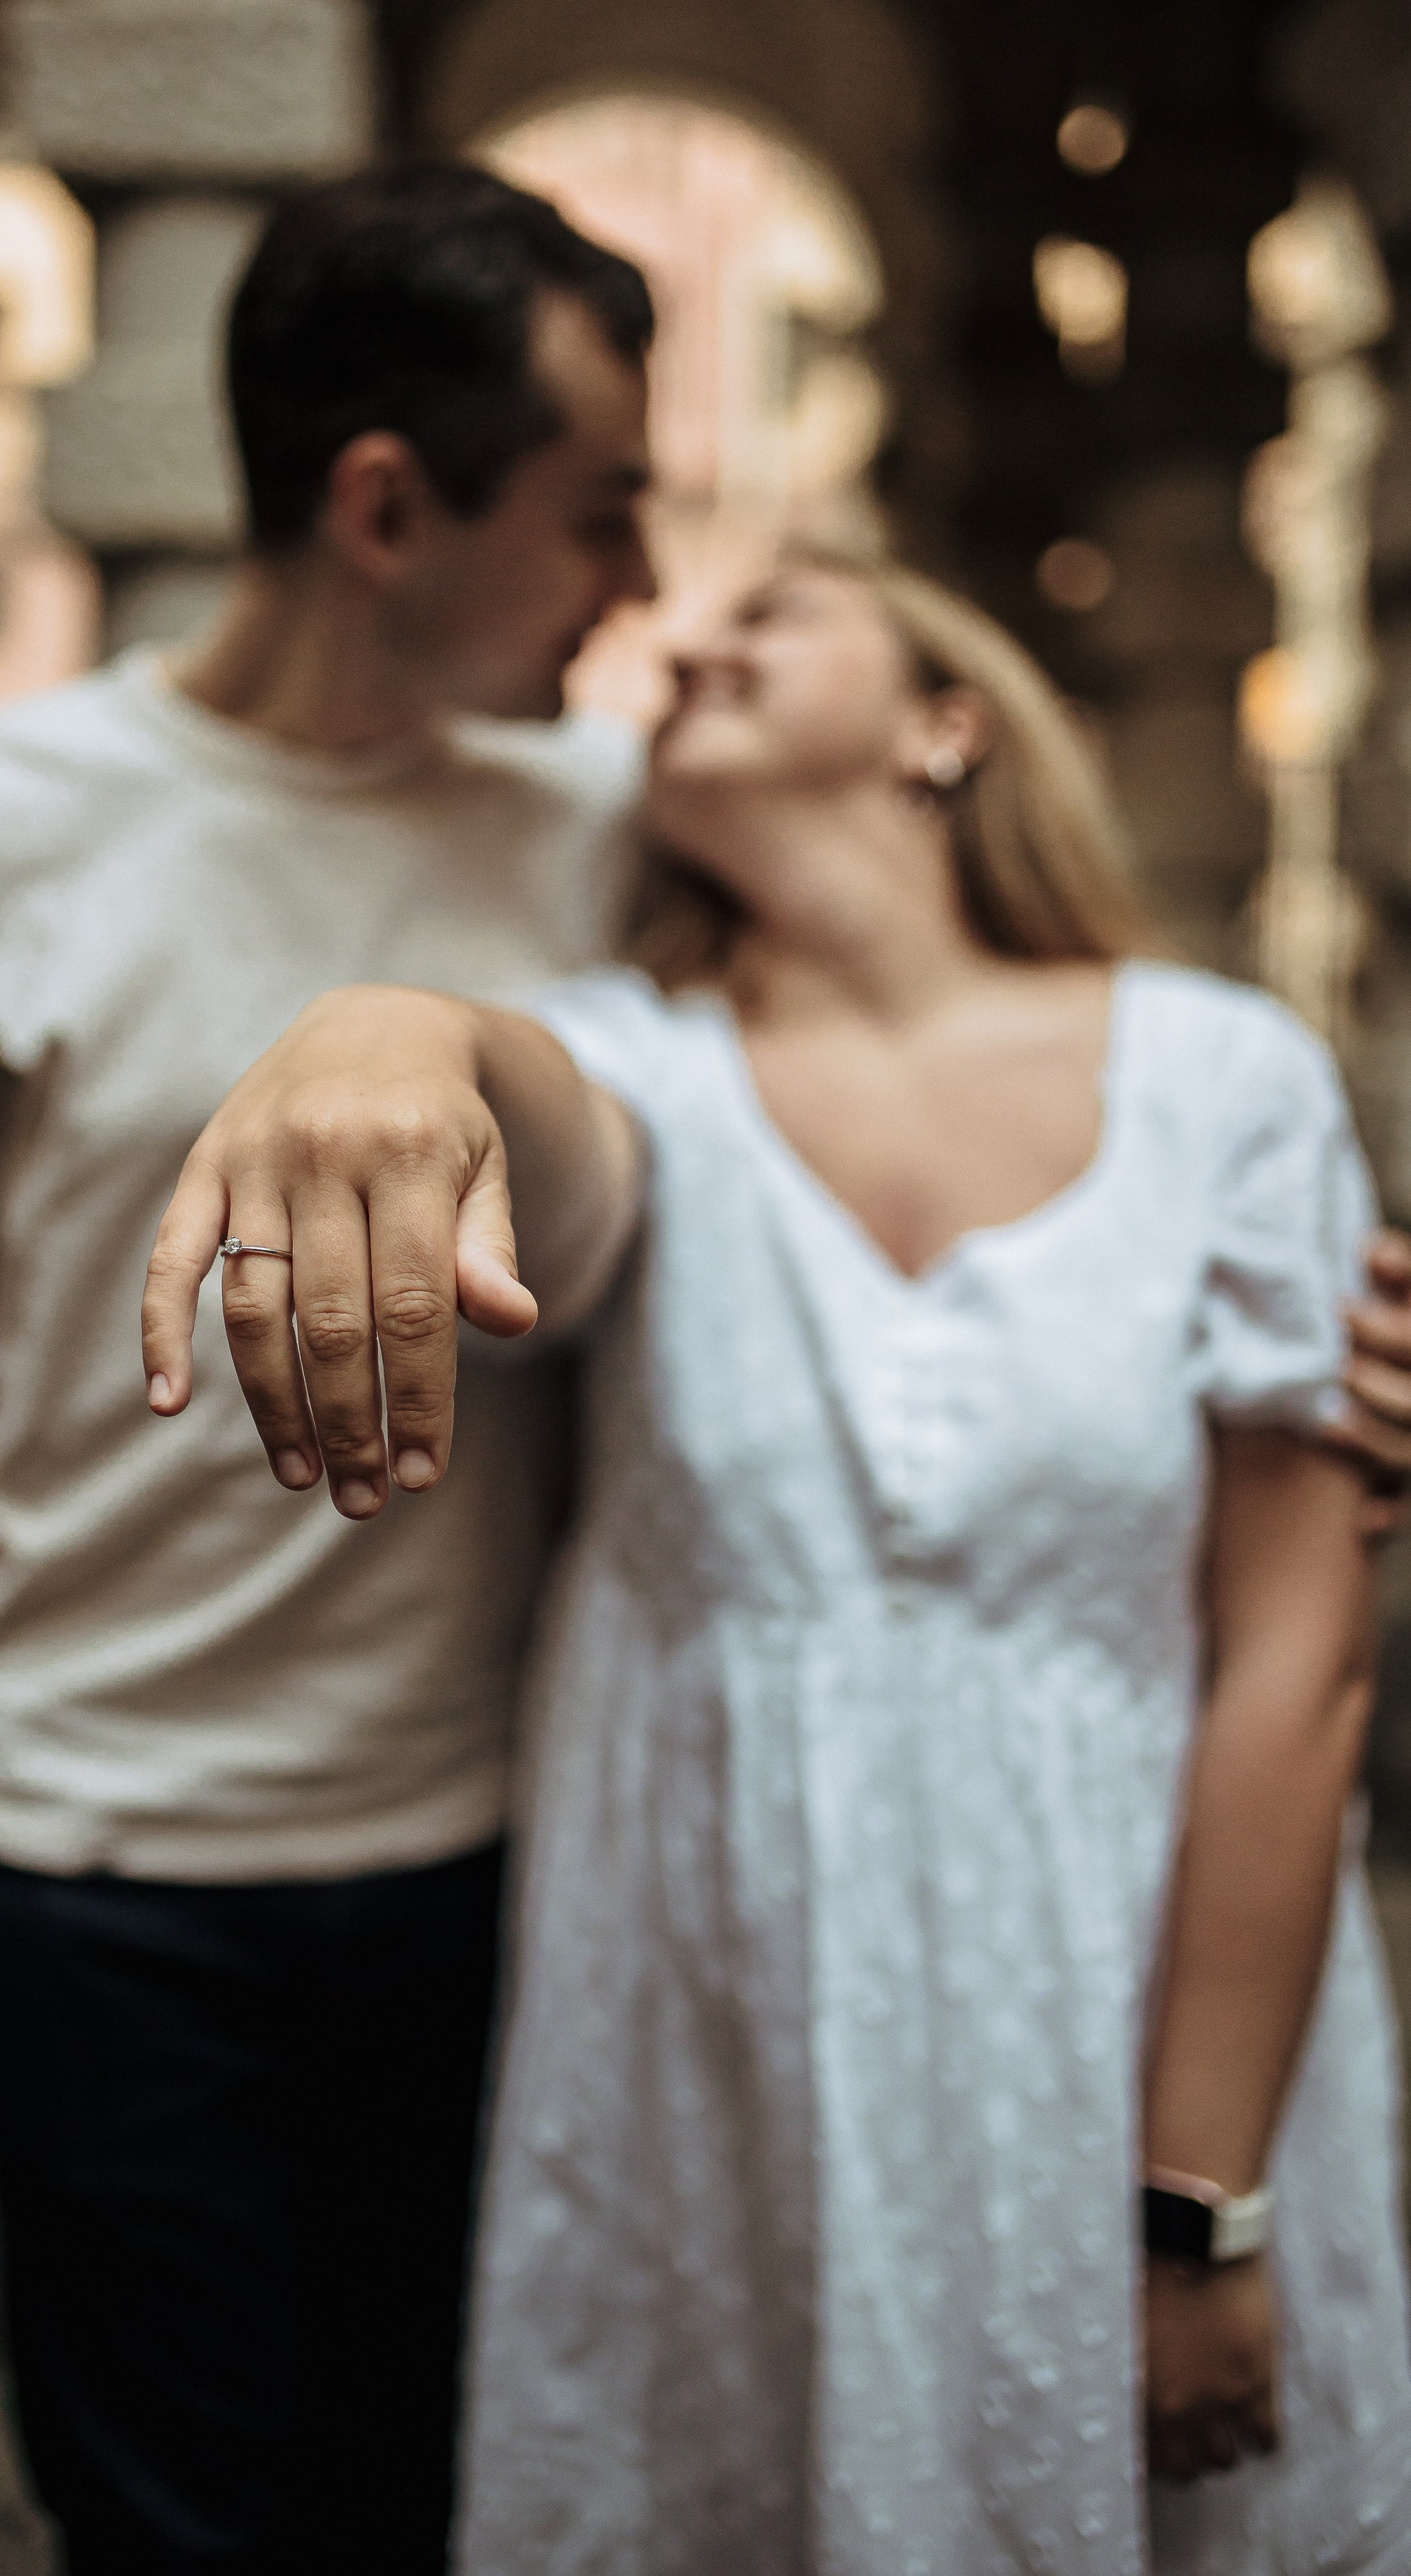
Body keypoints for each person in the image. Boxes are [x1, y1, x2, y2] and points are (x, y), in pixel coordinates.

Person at [146, 545, 1411, 2571]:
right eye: (686, 636)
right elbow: (542, 1156)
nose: (693, 643)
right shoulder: (639, 1064)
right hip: (723, 2053)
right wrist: (404, 1035)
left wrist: (1199, 2205)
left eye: (784, 610)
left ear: (947, 718)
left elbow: (1299, 1659)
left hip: (1132, 2015)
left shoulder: (1220, 1075)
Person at [0, 162, 657, 2573]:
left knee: (489, 2503)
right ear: (387, 504)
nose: (642, 594)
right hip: (103, 1871)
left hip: (511, 1854)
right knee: (180, 2535)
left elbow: (867, 1125)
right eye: (604, 519)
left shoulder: (613, 826)